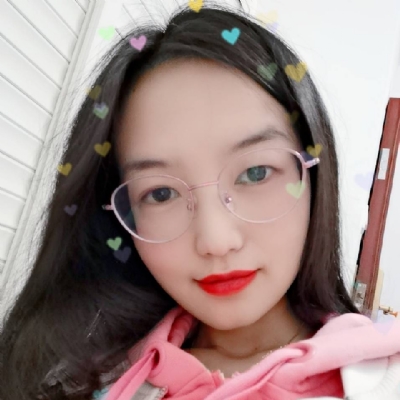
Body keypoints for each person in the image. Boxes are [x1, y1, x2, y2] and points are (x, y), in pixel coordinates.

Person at [1, 3, 400, 400]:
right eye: (160, 194)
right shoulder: (69, 380)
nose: (216, 241)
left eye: (255, 172)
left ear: (313, 176)